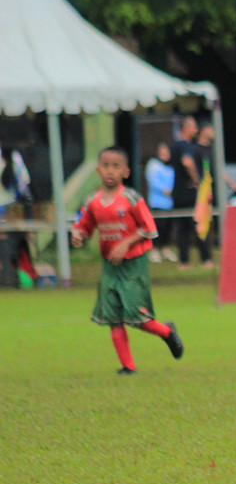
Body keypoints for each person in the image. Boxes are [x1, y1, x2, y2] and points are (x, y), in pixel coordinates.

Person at [71, 147, 184, 374]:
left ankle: (167, 332)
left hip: (133, 265)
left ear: (126, 171)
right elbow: (83, 225)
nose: (110, 171)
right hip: (109, 267)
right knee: (113, 317)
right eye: (106, 166)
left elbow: (149, 228)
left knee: (137, 317)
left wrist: (125, 243)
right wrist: (78, 235)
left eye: (116, 166)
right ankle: (128, 367)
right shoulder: (92, 201)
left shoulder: (131, 199)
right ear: (97, 170)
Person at [170, 115, 212, 269]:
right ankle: (206, 259)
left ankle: (184, 262)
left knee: (182, 230)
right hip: (189, 192)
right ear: (186, 128)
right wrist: (196, 180)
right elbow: (187, 162)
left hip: (178, 193)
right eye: (193, 127)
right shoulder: (187, 146)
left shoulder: (174, 146)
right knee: (199, 224)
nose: (196, 130)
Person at [144, 141, 177, 263]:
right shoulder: (153, 165)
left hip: (170, 203)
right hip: (157, 203)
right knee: (157, 226)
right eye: (162, 152)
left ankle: (165, 249)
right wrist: (164, 190)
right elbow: (152, 181)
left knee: (168, 227)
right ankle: (154, 250)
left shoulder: (172, 166)